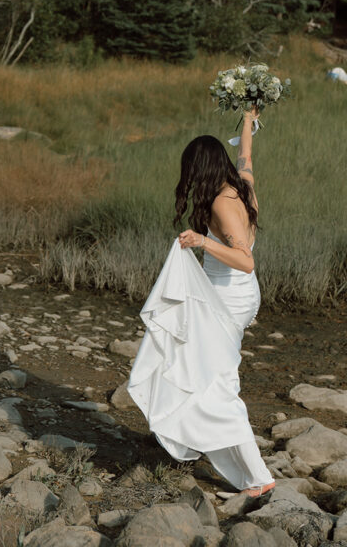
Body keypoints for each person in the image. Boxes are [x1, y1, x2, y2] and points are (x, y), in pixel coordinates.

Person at [127, 109, 275, 498]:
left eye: (192, 169)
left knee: (217, 384)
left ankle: (258, 477)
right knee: (200, 371)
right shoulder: (240, 183)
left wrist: (202, 241)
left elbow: (246, 261)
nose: (188, 177)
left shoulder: (223, 205)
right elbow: (247, 158)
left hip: (226, 300)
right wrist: (247, 123)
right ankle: (216, 449)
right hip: (228, 297)